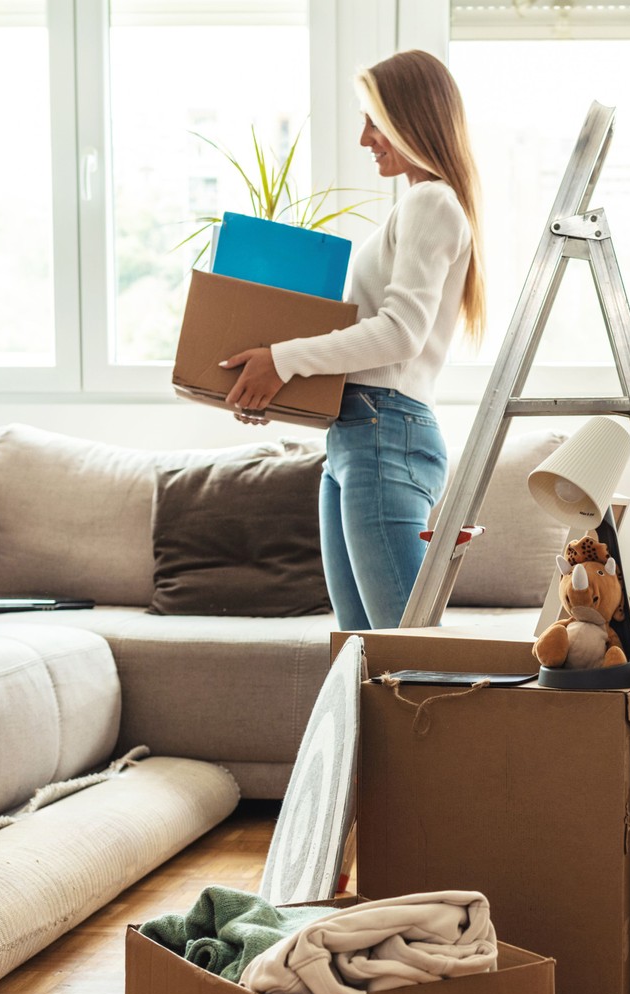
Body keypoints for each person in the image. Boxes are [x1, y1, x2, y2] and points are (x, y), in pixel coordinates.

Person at [221, 50, 484, 631]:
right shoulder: (419, 204)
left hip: (383, 435)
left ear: (414, 118)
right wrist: (276, 387)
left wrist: (283, 361)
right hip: (358, 436)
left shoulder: (431, 201)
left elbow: (399, 334)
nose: (365, 136)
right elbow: (367, 356)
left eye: (375, 119)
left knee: (406, 659)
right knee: (363, 656)